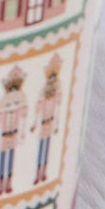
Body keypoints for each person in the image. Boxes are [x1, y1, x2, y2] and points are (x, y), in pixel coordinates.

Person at [0, 67, 27, 195]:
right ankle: (0, 182)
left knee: (11, 157)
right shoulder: (3, 110)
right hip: (4, 136)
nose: (12, 105)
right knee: (3, 157)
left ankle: (9, 181)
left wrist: (22, 133)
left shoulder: (18, 110)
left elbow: (23, 118)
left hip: (13, 134)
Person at [33, 55, 63, 186]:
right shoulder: (43, 96)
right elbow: (38, 110)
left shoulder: (56, 96)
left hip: (50, 122)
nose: (51, 84)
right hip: (43, 123)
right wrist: (35, 123)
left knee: (47, 148)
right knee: (42, 147)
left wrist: (56, 124)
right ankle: (38, 172)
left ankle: (43, 171)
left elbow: (58, 110)